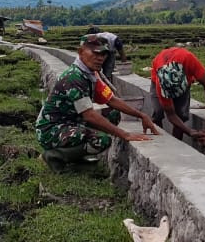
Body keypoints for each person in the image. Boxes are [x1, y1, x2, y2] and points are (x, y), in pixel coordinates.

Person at [35, 34, 159, 170]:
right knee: (101, 140)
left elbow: (112, 100)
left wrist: (141, 115)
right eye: (95, 53)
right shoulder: (74, 78)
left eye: (104, 54)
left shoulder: (90, 75)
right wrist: (125, 134)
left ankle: (75, 156)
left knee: (113, 114)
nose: (100, 58)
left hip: (71, 121)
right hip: (51, 130)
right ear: (81, 52)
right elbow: (89, 115)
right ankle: (55, 156)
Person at [148, 46, 205, 144]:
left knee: (181, 115)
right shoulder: (161, 84)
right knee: (158, 112)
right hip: (158, 76)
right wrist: (189, 131)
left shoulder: (189, 59)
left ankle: (176, 144)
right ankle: (159, 142)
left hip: (183, 72)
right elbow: (171, 114)